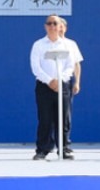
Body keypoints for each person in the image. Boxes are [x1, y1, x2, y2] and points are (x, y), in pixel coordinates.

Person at [30, 14, 75, 160]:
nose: (52, 26)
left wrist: (60, 80)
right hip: (44, 86)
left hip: (63, 85)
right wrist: (50, 81)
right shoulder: (38, 45)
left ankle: (64, 148)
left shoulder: (67, 45)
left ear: (60, 26)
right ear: (45, 26)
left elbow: (70, 66)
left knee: (64, 118)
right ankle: (43, 149)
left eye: (55, 23)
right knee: (45, 119)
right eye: (49, 23)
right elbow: (36, 67)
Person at [58, 18, 82, 149]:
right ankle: (46, 147)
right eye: (57, 26)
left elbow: (76, 64)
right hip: (50, 82)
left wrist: (77, 82)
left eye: (61, 26)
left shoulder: (71, 44)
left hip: (66, 82)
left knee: (65, 115)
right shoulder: (46, 44)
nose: (59, 29)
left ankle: (64, 146)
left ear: (65, 28)